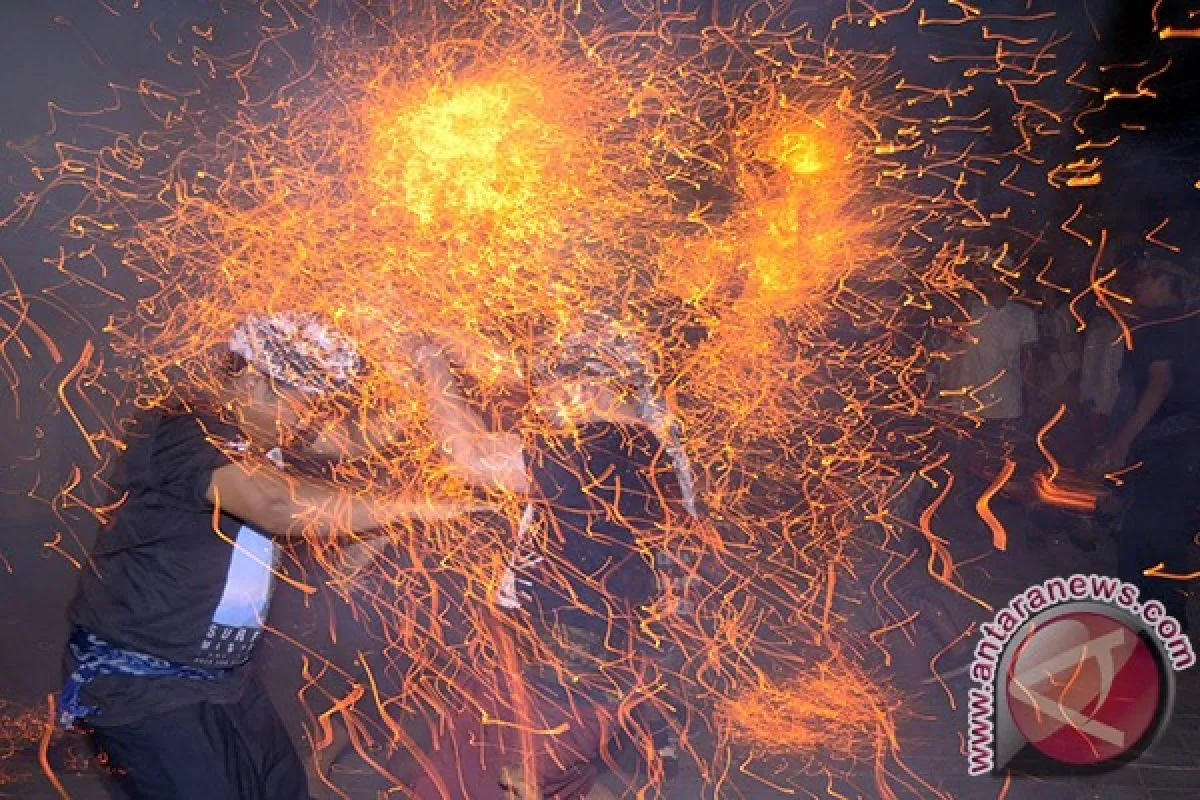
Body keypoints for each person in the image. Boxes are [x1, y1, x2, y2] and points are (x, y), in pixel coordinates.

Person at [62, 311, 475, 800]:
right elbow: (275, 505)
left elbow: (366, 438)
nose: (306, 419)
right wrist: (419, 506)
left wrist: (421, 363)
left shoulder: (263, 436)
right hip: (145, 684)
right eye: (301, 403)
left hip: (226, 681)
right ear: (254, 382)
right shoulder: (186, 428)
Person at [405, 318, 692, 799]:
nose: (541, 406)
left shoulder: (598, 448)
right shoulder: (647, 450)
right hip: (585, 687)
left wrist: (431, 364)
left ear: (585, 385)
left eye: (547, 389)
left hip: (546, 692)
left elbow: (468, 458)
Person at [1095, 258, 1200, 630]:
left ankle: (1150, 627)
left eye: (1144, 278)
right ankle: (1168, 627)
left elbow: (1159, 383)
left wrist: (1122, 441)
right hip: (1186, 444)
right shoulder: (1188, 323)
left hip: (1161, 447)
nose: (1136, 286)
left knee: (1142, 539)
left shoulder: (1155, 326)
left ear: (1164, 281)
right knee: (1168, 539)